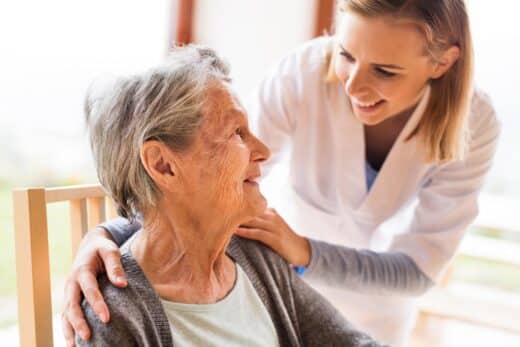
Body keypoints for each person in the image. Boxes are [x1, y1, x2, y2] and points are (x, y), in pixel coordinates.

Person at [63, 1, 500, 346]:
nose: (352, 85)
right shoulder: (305, 73)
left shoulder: (475, 125)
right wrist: (106, 233)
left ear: (441, 63)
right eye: (345, 55)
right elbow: (195, 182)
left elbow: (415, 271)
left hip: (359, 303)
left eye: (385, 71)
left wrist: (302, 254)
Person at [74, 45, 383, 347]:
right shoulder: (112, 315)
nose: (263, 151)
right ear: (163, 165)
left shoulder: (256, 255)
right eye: (237, 133)